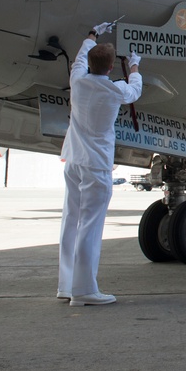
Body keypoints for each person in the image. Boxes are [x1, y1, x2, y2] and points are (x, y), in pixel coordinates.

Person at [58, 23, 142, 307]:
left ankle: (66, 285)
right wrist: (135, 66)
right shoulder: (114, 89)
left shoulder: (78, 80)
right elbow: (135, 90)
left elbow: (80, 59)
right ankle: (83, 290)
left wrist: (92, 35)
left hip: (73, 160)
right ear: (110, 68)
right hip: (95, 164)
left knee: (71, 220)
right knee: (91, 227)